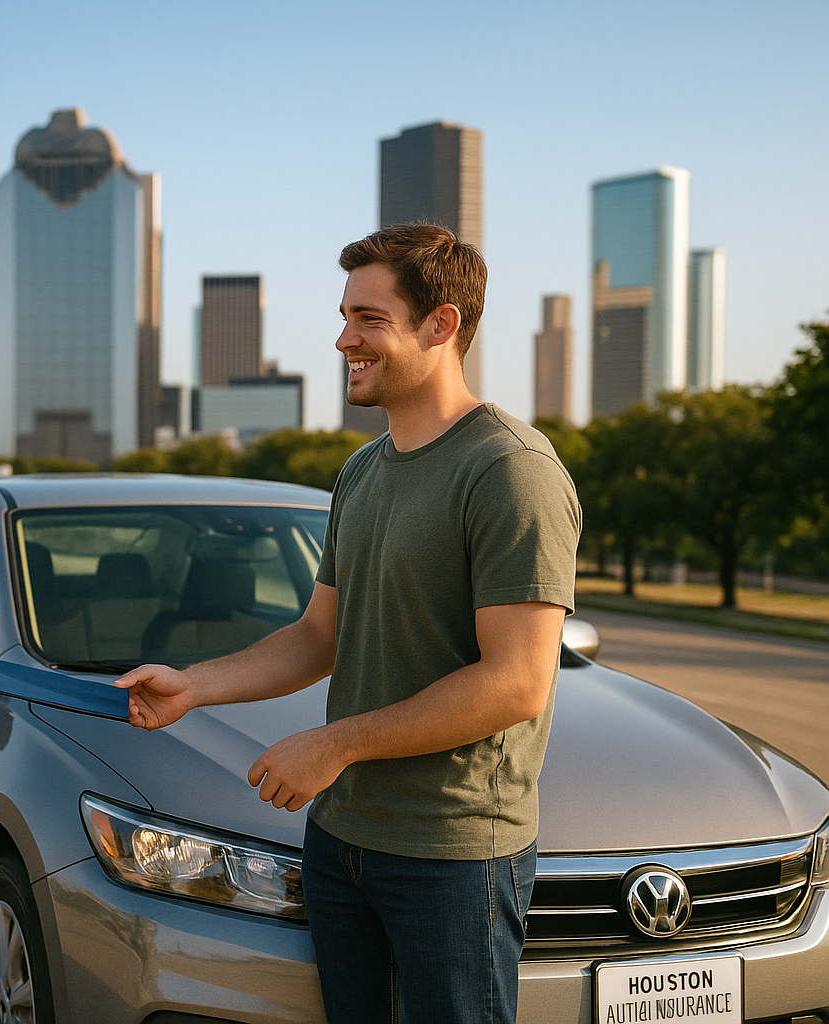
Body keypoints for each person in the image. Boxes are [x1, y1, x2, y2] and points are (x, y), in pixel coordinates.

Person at [115, 224, 580, 1023]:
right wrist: (193, 686)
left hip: (452, 854)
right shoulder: (361, 473)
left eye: (368, 318)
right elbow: (316, 638)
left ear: (442, 325)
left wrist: (334, 743)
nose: (342, 340)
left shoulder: (511, 471)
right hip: (341, 844)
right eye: (344, 315)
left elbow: (516, 683)